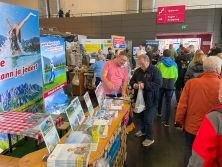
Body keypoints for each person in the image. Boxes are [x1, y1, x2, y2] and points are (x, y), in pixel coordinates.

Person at [175, 56, 222, 167]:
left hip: (192, 126)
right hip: (215, 129)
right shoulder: (220, 84)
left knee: (189, 148)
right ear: (217, 69)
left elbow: (182, 105)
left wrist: (179, 121)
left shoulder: (191, 83)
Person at [188, 80, 222, 166]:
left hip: (193, 124)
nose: (218, 91)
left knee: (188, 145)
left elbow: (201, 158)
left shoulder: (214, 118)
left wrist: (179, 121)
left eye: (220, 88)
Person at [130, 54, 162, 146]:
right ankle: (143, 130)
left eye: (142, 64)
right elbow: (131, 81)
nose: (141, 66)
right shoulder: (138, 71)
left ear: (148, 61)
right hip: (139, 99)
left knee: (148, 119)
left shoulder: (155, 71)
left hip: (150, 99)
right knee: (141, 116)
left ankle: (150, 138)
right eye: (139, 64)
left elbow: (159, 83)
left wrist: (145, 85)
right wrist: (134, 84)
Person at [156, 49, 178, 126]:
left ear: (163, 54)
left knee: (160, 98)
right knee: (168, 102)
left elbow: (156, 74)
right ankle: (167, 121)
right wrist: (173, 82)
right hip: (171, 84)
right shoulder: (174, 64)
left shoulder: (160, 63)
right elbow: (176, 76)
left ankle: (159, 112)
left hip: (161, 84)